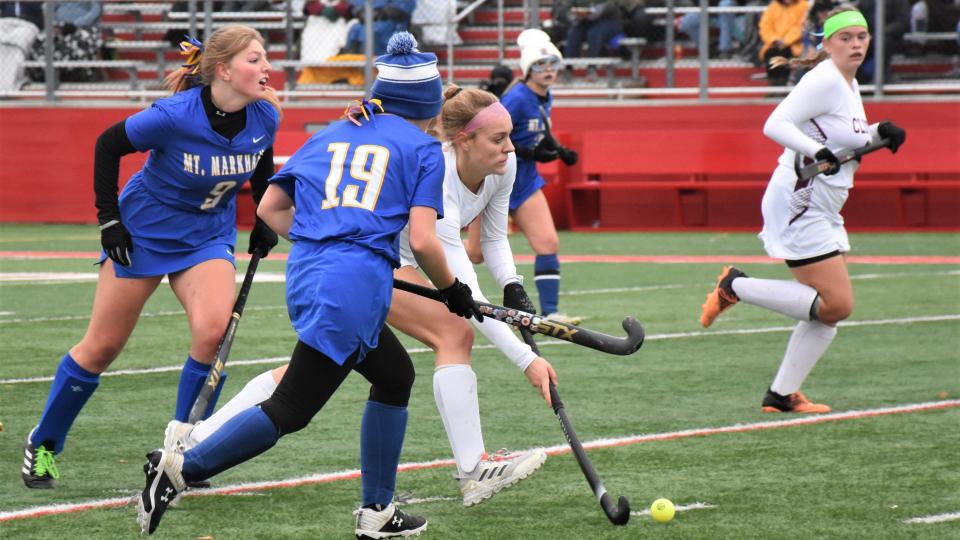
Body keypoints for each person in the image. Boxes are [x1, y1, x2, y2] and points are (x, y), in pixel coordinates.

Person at [137, 32, 483, 539]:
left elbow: (269, 209)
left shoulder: (332, 132)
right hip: (354, 282)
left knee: (394, 376)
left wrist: (329, 245)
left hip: (311, 272)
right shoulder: (424, 149)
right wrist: (452, 291)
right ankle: (179, 471)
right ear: (428, 103)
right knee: (292, 408)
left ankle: (378, 512)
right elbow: (427, 242)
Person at [163, 84, 557, 508]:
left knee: (319, 371)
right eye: (498, 138)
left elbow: (494, 238)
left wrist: (514, 284)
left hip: (377, 266)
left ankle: (196, 440)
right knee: (453, 335)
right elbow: (464, 289)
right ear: (464, 140)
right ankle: (472, 471)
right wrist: (527, 360)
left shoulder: (506, 164)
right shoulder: (436, 171)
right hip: (377, 266)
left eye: (509, 135)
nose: (509, 147)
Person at [20, 25, 281, 489]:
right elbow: (108, 145)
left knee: (212, 333)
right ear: (223, 70)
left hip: (205, 236)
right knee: (101, 348)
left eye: (265, 58)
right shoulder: (174, 115)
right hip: (143, 232)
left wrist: (263, 216)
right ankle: (44, 443)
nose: (267, 69)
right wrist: (109, 219)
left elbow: (262, 162)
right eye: (256, 60)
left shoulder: (266, 116)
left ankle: (181, 453)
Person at [699, 6, 906, 413]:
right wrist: (815, 150)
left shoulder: (848, 83)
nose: (856, 44)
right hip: (801, 201)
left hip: (825, 204)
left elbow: (845, 140)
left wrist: (881, 132)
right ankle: (734, 286)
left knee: (826, 310)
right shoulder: (825, 78)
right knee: (837, 304)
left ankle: (781, 395)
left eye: (861, 37)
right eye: (845, 38)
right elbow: (775, 124)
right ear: (827, 44)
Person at [476, 29, 581, 324]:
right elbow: (492, 134)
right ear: (527, 68)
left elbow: (537, 133)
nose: (548, 71)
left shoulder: (544, 97)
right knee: (474, 253)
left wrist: (558, 150)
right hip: (495, 181)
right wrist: (531, 153)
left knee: (548, 243)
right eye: (540, 65)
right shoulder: (517, 98)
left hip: (525, 182)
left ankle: (551, 312)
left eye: (552, 64)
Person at [758, 0, 810, 86]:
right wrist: (774, 39)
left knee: (784, 55)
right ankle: (773, 86)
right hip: (773, 44)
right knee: (770, 55)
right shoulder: (773, 6)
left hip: (794, 44)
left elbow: (802, 26)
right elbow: (765, 27)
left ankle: (782, 85)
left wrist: (785, 41)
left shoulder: (804, 5)